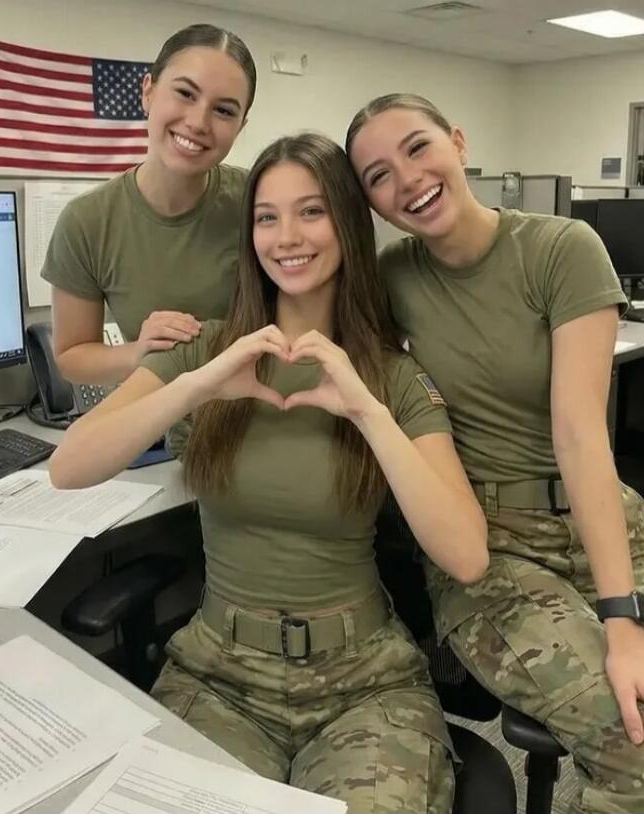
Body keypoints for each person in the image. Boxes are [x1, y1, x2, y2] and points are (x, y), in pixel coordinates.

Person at [50, 132, 490, 812]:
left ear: (346, 222)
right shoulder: (207, 348)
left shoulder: (392, 376)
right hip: (219, 676)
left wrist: (367, 411)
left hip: (364, 686)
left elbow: (464, 553)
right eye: (267, 216)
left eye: (312, 212)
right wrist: (197, 387)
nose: (288, 236)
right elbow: (69, 467)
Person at [346, 92, 644, 814]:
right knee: (636, 751)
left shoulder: (560, 248)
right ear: (372, 203)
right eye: (378, 175)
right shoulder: (392, 280)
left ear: (457, 141)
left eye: (417, 148)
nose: (407, 179)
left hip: (601, 521)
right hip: (490, 551)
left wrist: (619, 618)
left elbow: (580, 436)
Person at [41, 23, 256, 385]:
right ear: (148, 92)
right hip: (157, 421)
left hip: (254, 416)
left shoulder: (259, 201)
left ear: (241, 126)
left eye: (223, 111)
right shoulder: (86, 223)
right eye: (186, 93)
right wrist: (138, 351)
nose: (198, 122)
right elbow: (72, 356)